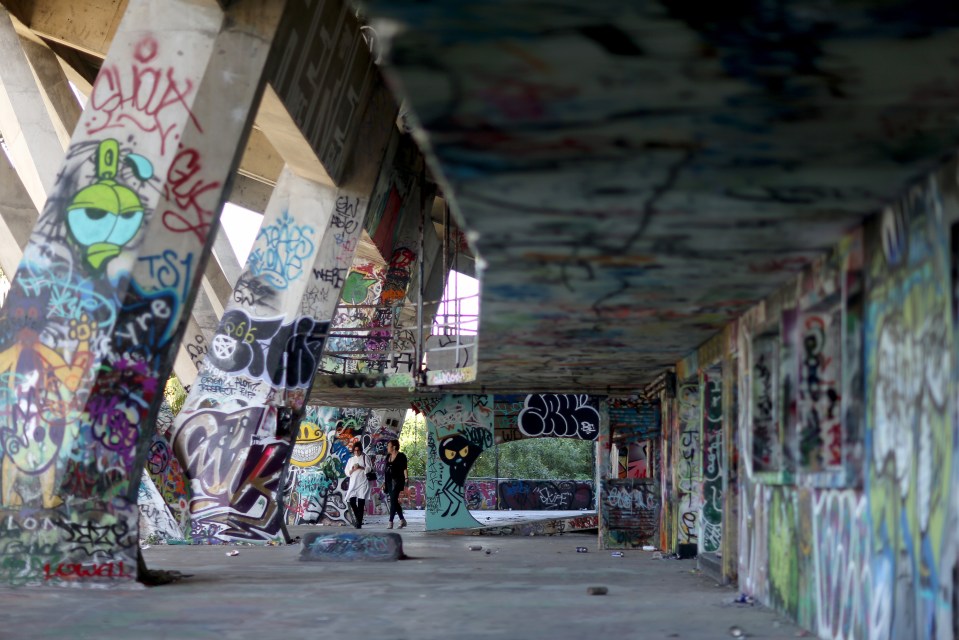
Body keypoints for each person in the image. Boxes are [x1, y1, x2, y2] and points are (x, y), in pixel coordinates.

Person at [344, 442, 372, 529]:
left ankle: (359, 522)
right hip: (353, 483)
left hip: (363, 483)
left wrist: (360, 467)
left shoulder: (365, 457)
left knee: (361, 502)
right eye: (355, 451)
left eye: (358, 450)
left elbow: (369, 468)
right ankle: (358, 518)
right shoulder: (351, 460)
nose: (356, 452)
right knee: (352, 501)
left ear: (361, 450)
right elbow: (347, 472)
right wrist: (352, 469)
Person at [384, 438, 408, 529]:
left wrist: (406, 479)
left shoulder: (401, 456)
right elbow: (386, 471)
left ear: (393, 447)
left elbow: (404, 468)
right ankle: (402, 520)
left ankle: (390, 521)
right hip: (389, 481)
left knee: (393, 500)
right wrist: (385, 482)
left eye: (388, 446)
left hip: (398, 481)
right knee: (394, 501)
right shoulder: (388, 457)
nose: (387, 447)